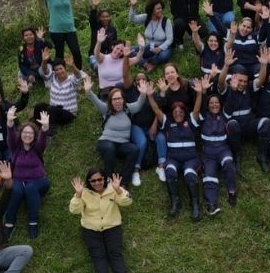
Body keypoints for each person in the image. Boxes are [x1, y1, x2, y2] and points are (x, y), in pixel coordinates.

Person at [218, 48, 270, 181]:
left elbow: (260, 81)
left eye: (244, 81)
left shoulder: (248, 87)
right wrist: (226, 65)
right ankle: (237, 155)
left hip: (248, 126)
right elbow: (220, 82)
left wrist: (264, 65)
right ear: (233, 79)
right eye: (239, 80)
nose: (242, 83)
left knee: (265, 122)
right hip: (233, 129)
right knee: (232, 124)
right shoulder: (227, 88)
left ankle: (262, 155)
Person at [70, 169, 132, 273]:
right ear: (89, 182)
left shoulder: (113, 189)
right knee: (98, 256)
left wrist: (119, 190)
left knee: (115, 253)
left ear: (104, 179)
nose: (97, 183)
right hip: (91, 230)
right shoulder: (84, 193)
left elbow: (127, 201)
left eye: (99, 179)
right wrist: (78, 195)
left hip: (112, 227)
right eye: (93, 180)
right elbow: (74, 210)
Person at [147, 79, 203, 221]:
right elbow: (156, 110)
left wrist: (199, 93)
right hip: (174, 159)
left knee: (190, 175)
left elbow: (196, 109)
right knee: (170, 171)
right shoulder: (168, 123)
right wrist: (150, 96)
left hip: (190, 159)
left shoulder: (191, 121)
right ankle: (175, 202)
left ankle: (195, 204)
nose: (178, 114)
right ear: (172, 113)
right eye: (175, 112)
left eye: (180, 112)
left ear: (184, 112)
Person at [85, 76, 149, 187]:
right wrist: (88, 91)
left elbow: (139, 105)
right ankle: (109, 180)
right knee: (110, 148)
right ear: (111, 101)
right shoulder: (106, 109)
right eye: (115, 99)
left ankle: (123, 183)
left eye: (119, 98)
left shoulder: (128, 109)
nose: (117, 101)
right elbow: (95, 100)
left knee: (134, 149)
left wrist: (143, 94)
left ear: (123, 99)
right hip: (106, 142)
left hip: (122, 144)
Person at [4, 108, 50, 240]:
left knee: (30, 187)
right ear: (21, 134)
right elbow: (10, 137)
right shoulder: (15, 148)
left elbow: (42, 140)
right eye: (25, 132)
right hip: (18, 180)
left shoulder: (37, 148)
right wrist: (9, 122)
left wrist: (45, 127)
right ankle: (9, 222)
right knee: (16, 190)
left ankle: (33, 221)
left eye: (31, 133)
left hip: (39, 181)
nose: (27, 135)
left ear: (34, 136)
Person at [192, 78, 236, 215]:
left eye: (216, 103)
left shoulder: (224, 115)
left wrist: (233, 90)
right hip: (208, 154)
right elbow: (198, 108)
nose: (214, 105)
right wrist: (202, 93)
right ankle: (212, 204)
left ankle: (232, 192)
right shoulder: (203, 116)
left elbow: (230, 103)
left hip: (223, 150)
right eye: (211, 103)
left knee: (228, 162)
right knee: (209, 176)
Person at [43, 0, 82, 69]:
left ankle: (79, 73)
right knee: (59, 54)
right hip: (56, 30)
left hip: (70, 29)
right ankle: (60, 74)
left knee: (76, 51)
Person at [34, 51, 87, 130]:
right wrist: (44, 61)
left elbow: (78, 76)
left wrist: (73, 66)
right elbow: (45, 71)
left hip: (67, 113)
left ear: (65, 69)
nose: (59, 71)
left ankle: (49, 131)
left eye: (61, 68)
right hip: (52, 109)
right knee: (39, 107)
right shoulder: (53, 77)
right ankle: (36, 126)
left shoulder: (71, 79)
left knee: (52, 110)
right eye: (56, 70)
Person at [129, 0, 173, 72]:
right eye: (158, 9)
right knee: (129, 50)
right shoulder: (146, 17)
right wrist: (133, 6)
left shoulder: (166, 21)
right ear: (152, 10)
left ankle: (144, 59)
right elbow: (133, 19)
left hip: (163, 47)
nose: (161, 10)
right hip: (149, 46)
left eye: (161, 8)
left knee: (164, 56)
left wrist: (159, 48)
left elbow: (170, 40)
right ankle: (147, 62)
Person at [91, 29, 141, 98]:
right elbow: (96, 53)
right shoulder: (103, 58)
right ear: (112, 47)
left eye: (121, 51)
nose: (118, 52)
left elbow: (137, 59)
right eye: (117, 48)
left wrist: (142, 48)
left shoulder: (124, 61)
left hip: (120, 90)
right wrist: (99, 42)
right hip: (106, 91)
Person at [87, 0, 119, 71]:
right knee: (98, 67)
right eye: (103, 17)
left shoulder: (112, 29)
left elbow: (115, 44)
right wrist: (94, 6)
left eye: (107, 17)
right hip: (95, 55)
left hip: (108, 55)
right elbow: (92, 19)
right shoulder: (96, 27)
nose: (105, 19)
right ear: (99, 18)